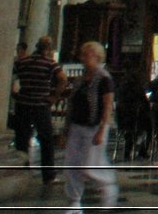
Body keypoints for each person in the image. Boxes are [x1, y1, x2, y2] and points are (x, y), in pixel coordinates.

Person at [64, 41, 117, 210]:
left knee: (91, 165)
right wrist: (66, 128)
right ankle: (74, 202)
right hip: (77, 126)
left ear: (96, 56)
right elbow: (72, 103)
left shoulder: (104, 78)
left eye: (86, 54)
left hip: (94, 127)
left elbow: (107, 104)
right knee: (72, 165)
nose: (82, 58)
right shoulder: (80, 79)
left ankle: (108, 187)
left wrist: (102, 129)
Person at [12, 34, 64, 185]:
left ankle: (22, 171)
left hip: (23, 104)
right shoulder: (50, 64)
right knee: (46, 139)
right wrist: (54, 96)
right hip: (40, 105)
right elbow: (62, 79)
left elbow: (10, 73)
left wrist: (13, 93)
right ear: (48, 48)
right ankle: (48, 175)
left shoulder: (23, 61)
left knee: (21, 139)